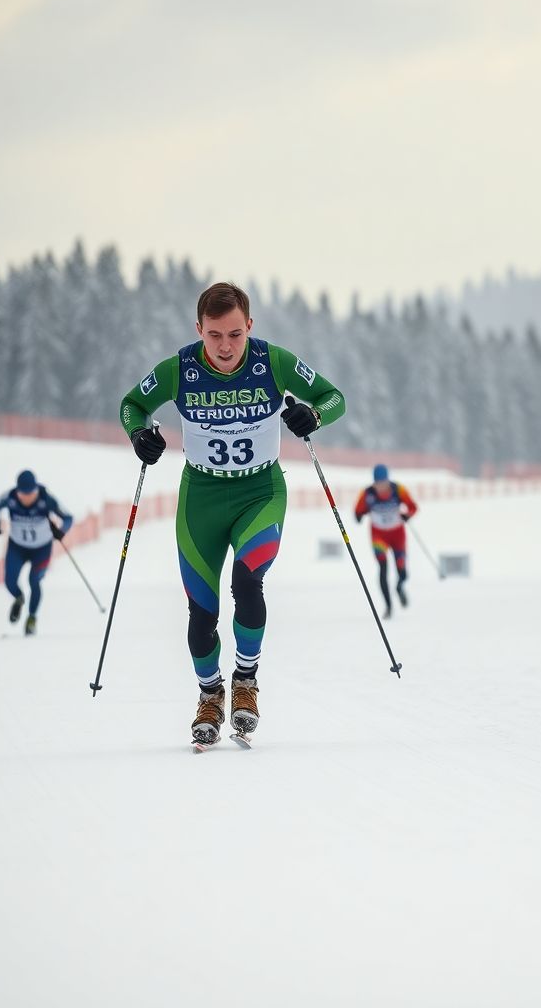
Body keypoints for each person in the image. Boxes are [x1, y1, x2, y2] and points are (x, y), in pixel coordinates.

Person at [119, 281, 345, 746]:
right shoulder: (180, 369)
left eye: (236, 334)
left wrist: (313, 417)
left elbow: (333, 397)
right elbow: (132, 405)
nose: (225, 346)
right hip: (200, 498)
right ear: (199, 329)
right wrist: (139, 434)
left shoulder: (273, 361)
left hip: (260, 492)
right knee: (201, 611)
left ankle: (245, 682)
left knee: (247, 580)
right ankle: (209, 695)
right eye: (215, 335)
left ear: (250, 328)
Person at [0, 470, 73, 636]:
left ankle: (32, 618)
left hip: (41, 549)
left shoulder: (46, 499)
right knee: (9, 581)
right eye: (23, 494)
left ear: (36, 489)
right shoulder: (10, 497)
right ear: (17, 491)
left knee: (34, 581)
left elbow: (68, 518)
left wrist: (60, 531)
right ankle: (19, 599)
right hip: (17, 547)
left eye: (31, 493)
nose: (27, 498)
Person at [355, 465, 418, 619]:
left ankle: (399, 587)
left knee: (402, 570)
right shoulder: (368, 493)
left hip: (397, 536)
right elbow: (357, 511)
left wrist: (407, 515)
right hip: (379, 537)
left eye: (383, 483)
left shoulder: (398, 490)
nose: (380, 487)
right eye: (377, 483)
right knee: (383, 568)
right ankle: (388, 607)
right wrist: (360, 515)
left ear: (388, 481)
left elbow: (413, 507)